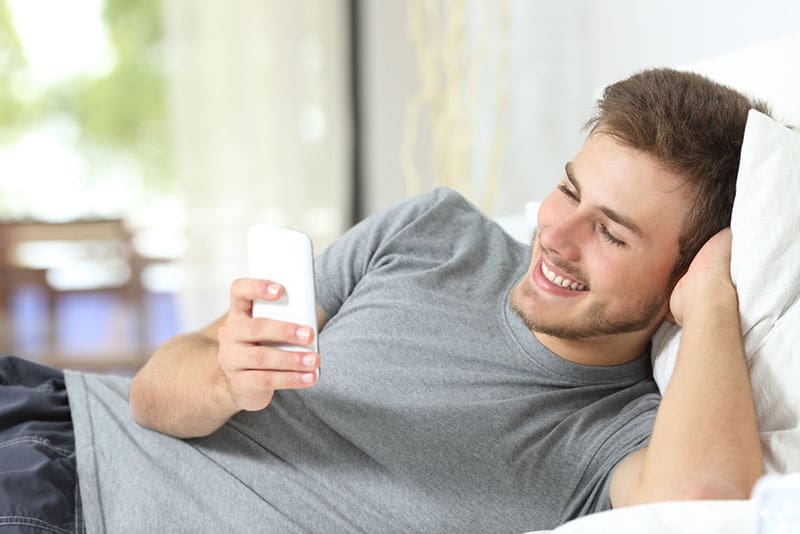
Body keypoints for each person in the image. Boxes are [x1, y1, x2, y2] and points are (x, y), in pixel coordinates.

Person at [1, 68, 769, 533]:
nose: (557, 235)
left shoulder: (618, 435)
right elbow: (152, 390)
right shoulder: (438, 228)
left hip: (70, 512)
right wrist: (221, 378)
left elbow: (701, 504)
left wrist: (710, 302)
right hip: (50, 409)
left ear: (684, 272)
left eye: (611, 231)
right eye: (568, 188)